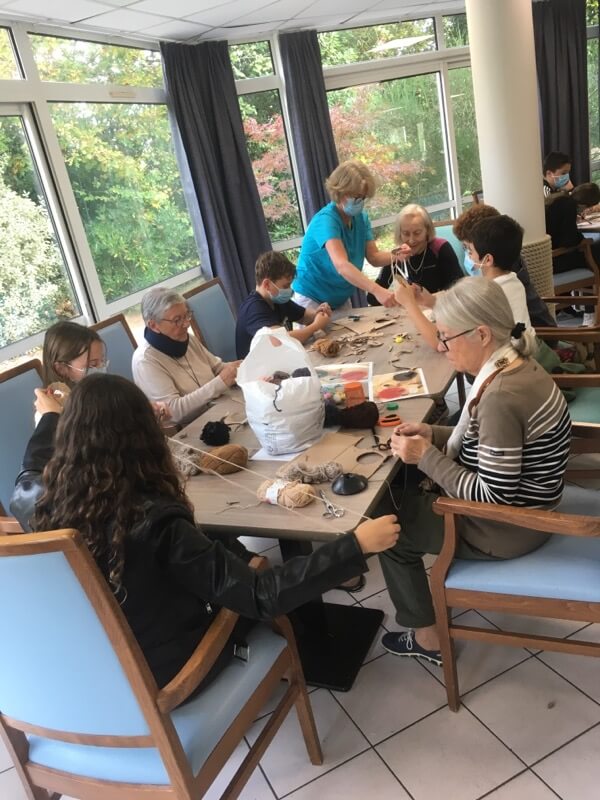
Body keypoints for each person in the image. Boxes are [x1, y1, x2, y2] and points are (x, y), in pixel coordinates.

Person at [20, 374, 400, 693]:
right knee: (259, 584)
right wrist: (355, 546)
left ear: (68, 442)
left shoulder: (45, 503)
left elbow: (29, 476)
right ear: (144, 438)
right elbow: (260, 595)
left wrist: (49, 420)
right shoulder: (156, 522)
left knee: (230, 552)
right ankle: (294, 659)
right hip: (172, 674)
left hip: (101, 672)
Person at [378, 277, 571, 665]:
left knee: (389, 529)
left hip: (512, 527)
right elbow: (487, 439)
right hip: (536, 504)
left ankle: (428, 639)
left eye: (446, 337)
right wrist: (433, 434)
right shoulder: (515, 363)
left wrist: (426, 457)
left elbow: (492, 498)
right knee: (404, 487)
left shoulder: (499, 395)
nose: (442, 346)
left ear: (482, 334)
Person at [394, 215, 536, 353]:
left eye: (470, 250)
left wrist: (409, 304)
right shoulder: (513, 281)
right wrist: (431, 301)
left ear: (487, 260)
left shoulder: (486, 294)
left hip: (502, 363)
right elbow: (461, 311)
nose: (469, 255)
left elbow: (441, 343)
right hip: (526, 357)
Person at [292, 161, 400, 312]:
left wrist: (398, 255)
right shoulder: (326, 220)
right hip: (311, 297)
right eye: (356, 197)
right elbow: (341, 265)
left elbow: (374, 257)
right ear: (341, 192)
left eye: (363, 198)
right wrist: (377, 290)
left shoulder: (361, 218)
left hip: (339, 298)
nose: (360, 202)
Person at [132, 287, 239, 426]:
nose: (187, 324)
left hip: (220, 408)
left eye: (187, 315)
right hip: (190, 427)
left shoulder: (186, 338)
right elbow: (173, 412)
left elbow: (217, 368)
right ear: (153, 325)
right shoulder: (145, 360)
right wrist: (220, 383)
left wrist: (243, 366)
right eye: (177, 320)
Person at [454, 204, 555, 328]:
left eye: (469, 248)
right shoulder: (507, 263)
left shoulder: (505, 277)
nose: (469, 255)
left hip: (539, 329)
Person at [235, 251, 332, 359]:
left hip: (278, 358)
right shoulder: (253, 309)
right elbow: (282, 340)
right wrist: (316, 326)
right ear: (267, 284)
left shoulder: (277, 300)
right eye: (285, 286)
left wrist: (319, 312)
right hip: (259, 366)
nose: (289, 290)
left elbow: (304, 316)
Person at [368, 203, 462, 305]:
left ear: (427, 231)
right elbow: (372, 298)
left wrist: (423, 298)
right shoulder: (397, 255)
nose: (411, 240)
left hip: (442, 307)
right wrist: (397, 297)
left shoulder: (441, 248)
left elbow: (460, 290)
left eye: (417, 233)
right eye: (406, 234)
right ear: (400, 234)